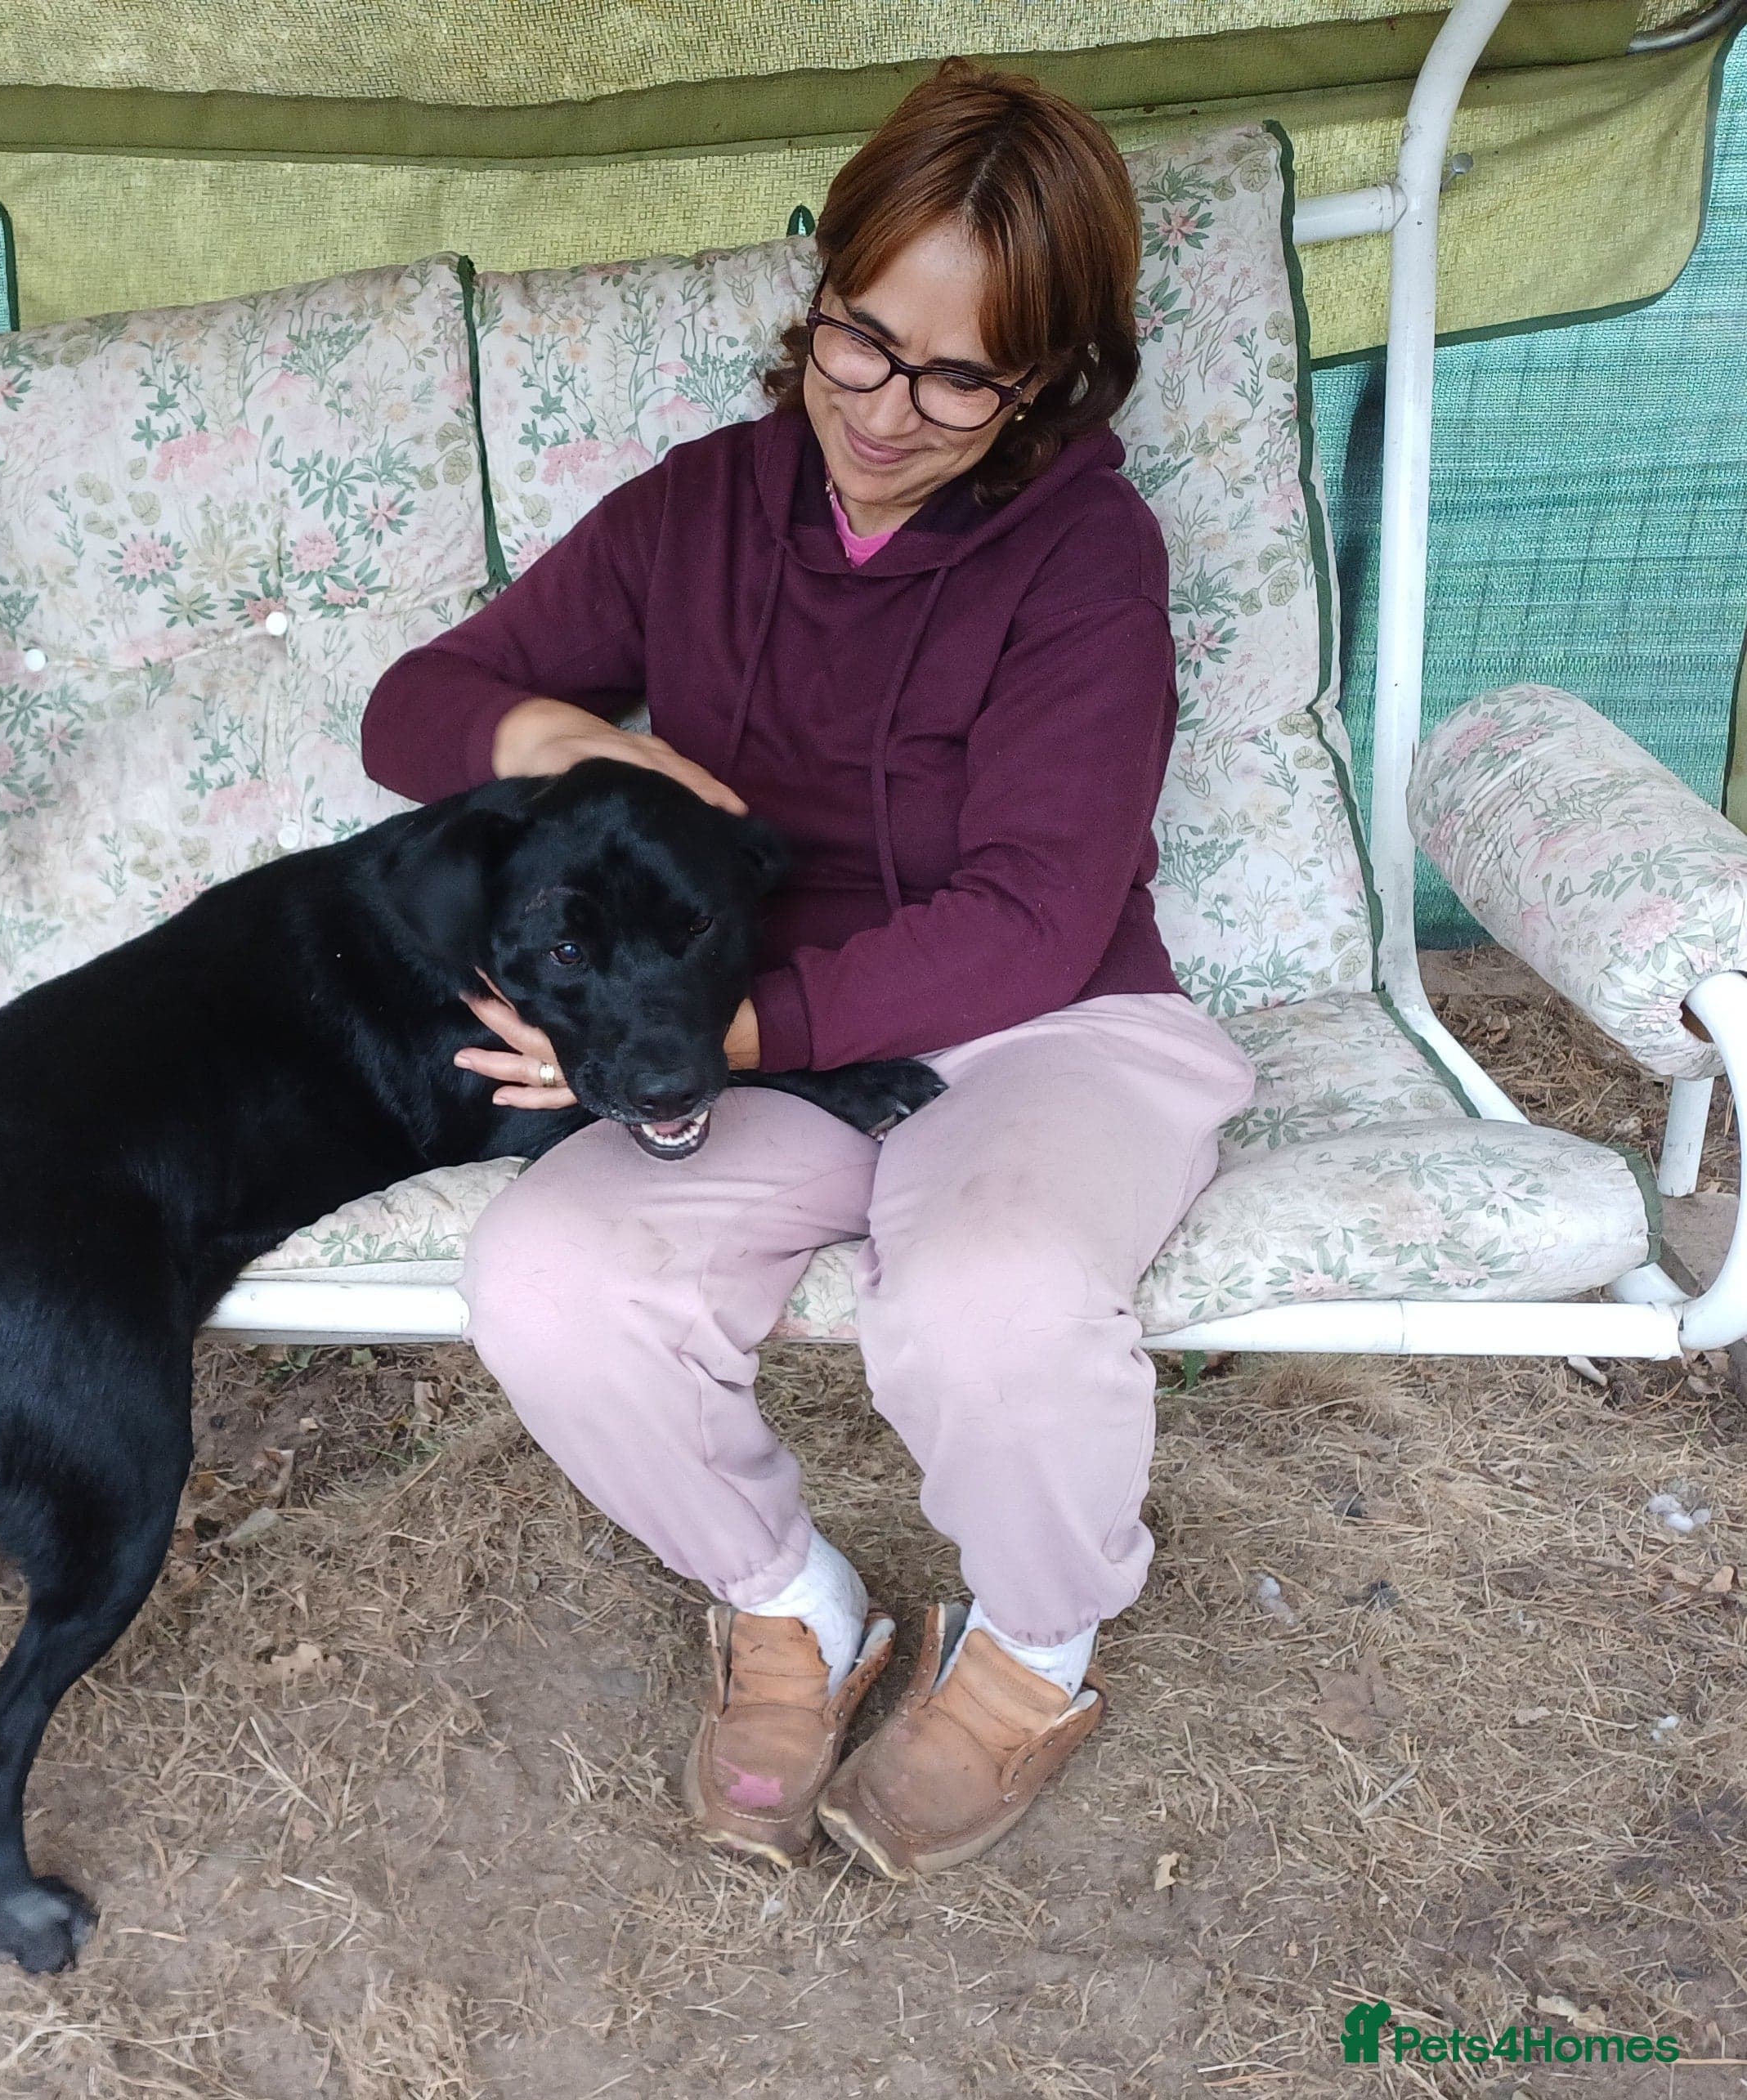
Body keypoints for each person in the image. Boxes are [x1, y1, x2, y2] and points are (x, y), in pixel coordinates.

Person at [359, 59, 1256, 1879]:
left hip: (1044, 1026)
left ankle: (1030, 1649)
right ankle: (791, 1599)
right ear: (818, 293)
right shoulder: (702, 507)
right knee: (544, 1270)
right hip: (762, 1052)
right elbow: (410, 708)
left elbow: (1032, 911)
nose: (886, 410)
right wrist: (578, 748)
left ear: (1045, 379)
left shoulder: (1086, 557)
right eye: (860, 341)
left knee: (990, 1290)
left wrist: (699, 1034)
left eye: (956, 377)